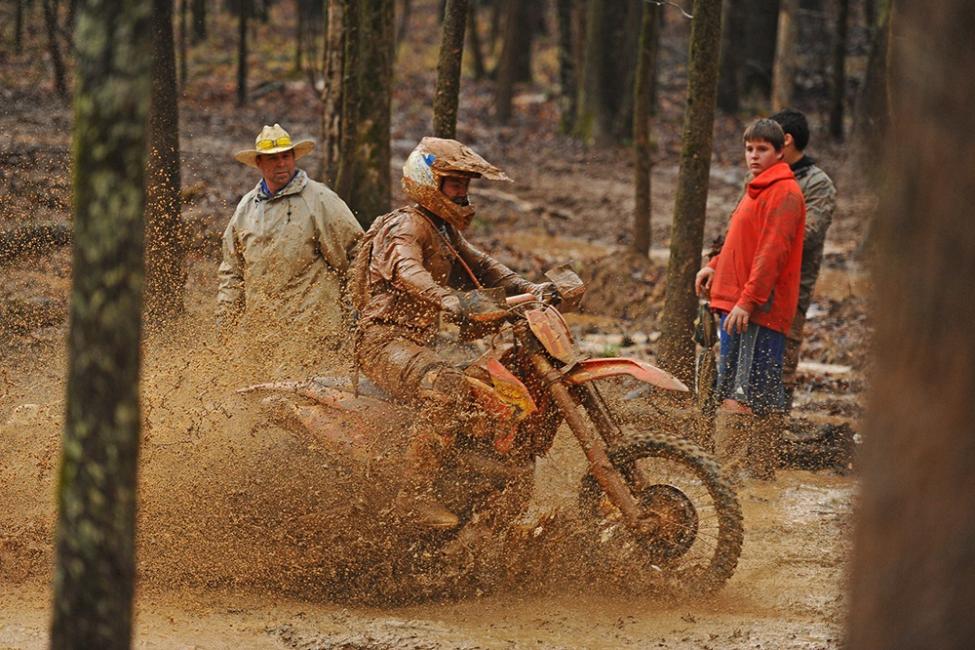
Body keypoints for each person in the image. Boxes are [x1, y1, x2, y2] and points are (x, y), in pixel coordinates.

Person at [350, 137, 550, 528]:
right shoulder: (406, 225)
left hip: (419, 342)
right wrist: (447, 299)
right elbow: (408, 271)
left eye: (465, 185)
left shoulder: (442, 230)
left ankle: (470, 483)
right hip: (382, 341)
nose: (462, 193)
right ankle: (414, 496)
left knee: (492, 387)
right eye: (454, 185)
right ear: (429, 181)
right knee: (446, 387)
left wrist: (532, 288)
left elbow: (486, 266)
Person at [695, 119, 805, 480]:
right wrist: (715, 265)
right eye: (749, 149)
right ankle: (759, 480)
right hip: (736, 305)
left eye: (762, 150)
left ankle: (723, 480)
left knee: (739, 395)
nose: (753, 156)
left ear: (780, 152)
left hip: (755, 311)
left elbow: (771, 254)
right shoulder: (756, 188)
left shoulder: (784, 193)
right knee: (755, 391)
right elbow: (739, 240)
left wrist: (747, 301)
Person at [217, 123, 363, 351]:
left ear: (294, 158)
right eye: (273, 159)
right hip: (262, 335)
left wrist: (355, 309)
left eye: (286, 156)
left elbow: (358, 252)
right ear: (259, 163)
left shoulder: (320, 199)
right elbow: (233, 271)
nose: (281, 164)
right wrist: (226, 323)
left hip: (315, 333)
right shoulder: (246, 209)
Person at [769, 109, 838, 411]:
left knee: (783, 358)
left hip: (792, 284)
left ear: (786, 140)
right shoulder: (760, 173)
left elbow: (807, 235)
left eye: (768, 141)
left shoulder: (818, 184)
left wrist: (764, 244)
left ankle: (774, 431)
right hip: (752, 282)